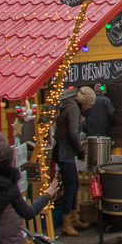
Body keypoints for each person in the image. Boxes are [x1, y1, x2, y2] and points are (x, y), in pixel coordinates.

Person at [52, 88, 85, 235]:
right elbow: (72, 132)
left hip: (64, 150)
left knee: (74, 184)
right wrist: (80, 150)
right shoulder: (73, 109)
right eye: (89, 105)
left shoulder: (70, 106)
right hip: (64, 151)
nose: (89, 108)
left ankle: (73, 218)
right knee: (71, 186)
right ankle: (66, 223)